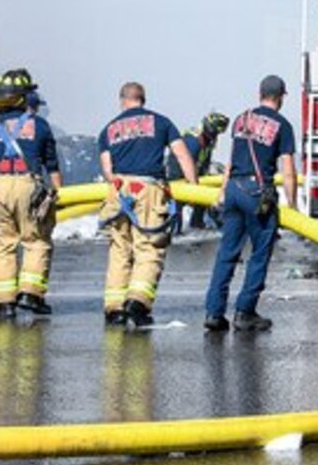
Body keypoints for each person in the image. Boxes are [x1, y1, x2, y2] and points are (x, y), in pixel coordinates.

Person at [98, 82, 198, 328]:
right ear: (143, 99)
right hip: (148, 190)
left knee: (120, 249)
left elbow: (108, 170)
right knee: (149, 248)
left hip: (119, 192)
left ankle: (114, 308)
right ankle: (137, 302)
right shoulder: (161, 123)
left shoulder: (108, 130)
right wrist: (193, 186)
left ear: (122, 100)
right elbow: (182, 153)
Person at [204, 75, 296, 332]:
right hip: (257, 194)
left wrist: (223, 191)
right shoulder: (282, 125)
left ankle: (214, 312)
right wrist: (293, 206)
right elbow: (288, 171)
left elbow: (232, 158)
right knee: (259, 254)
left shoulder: (241, 119)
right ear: (281, 97)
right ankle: (245, 312)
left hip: (234, 188)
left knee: (227, 253)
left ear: (260, 93)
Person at [0, 69, 63, 320]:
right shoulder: (39, 124)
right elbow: (52, 165)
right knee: (36, 240)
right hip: (29, 186)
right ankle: (31, 294)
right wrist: (58, 196)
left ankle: (4, 303)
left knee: (0, 244)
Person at [166, 111, 230, 229]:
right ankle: (175, 229)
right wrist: (193, 185)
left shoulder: (208, 140)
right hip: (178, 176)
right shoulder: (193, 140)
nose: (216, 135)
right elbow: (186, 162)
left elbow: (205, 161)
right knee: (178, 204)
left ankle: (197, 223)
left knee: (203, 199)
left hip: (195, 174)